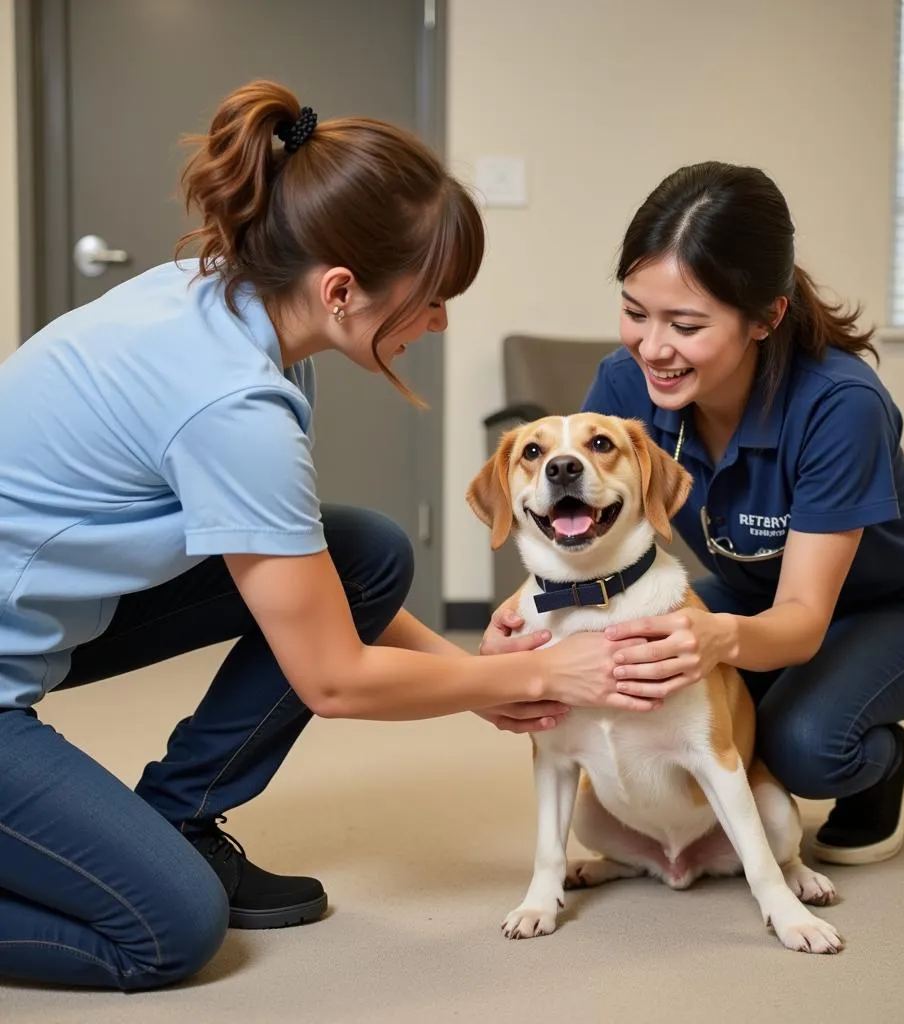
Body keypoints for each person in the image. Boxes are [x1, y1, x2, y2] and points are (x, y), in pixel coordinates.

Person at [0, 80, 656, 992]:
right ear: (342, 289)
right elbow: (334, 678)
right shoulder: (235, 404)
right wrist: (538, 672)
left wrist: (478, 684)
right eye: (432, 299)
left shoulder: (228, 308)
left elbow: (312, 596)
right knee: (169, 929)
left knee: (362, 551)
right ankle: (160, 862)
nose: (441, 322)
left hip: (36, 614)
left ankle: (177, 817)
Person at [482, 161, 904, 869]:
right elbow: (593, 527)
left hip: (897, 610)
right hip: (749, 594)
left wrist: (714, 642)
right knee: (640, 667)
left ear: (766, 316)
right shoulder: (626, 384)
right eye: (635, 311)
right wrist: (524, 613)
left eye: (685, 324)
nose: (652, 347)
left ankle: (886, 764)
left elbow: (803, 617)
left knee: (797, 743)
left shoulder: (840, 406)